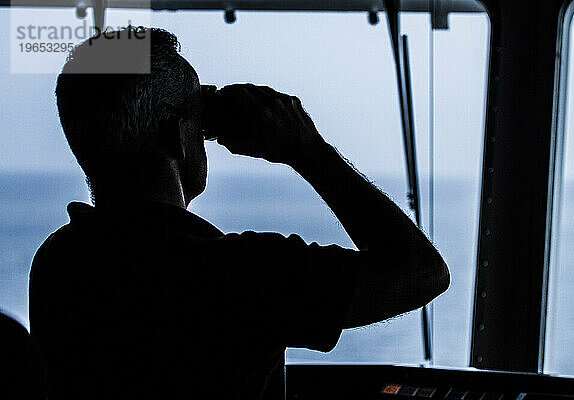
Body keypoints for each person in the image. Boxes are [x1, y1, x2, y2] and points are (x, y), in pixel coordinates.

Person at [29, 27, 449, 400]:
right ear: (178, 137)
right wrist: (306, 147)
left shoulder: (58, 262)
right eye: (200, 122)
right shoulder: (237, 272)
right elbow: (422, 271)